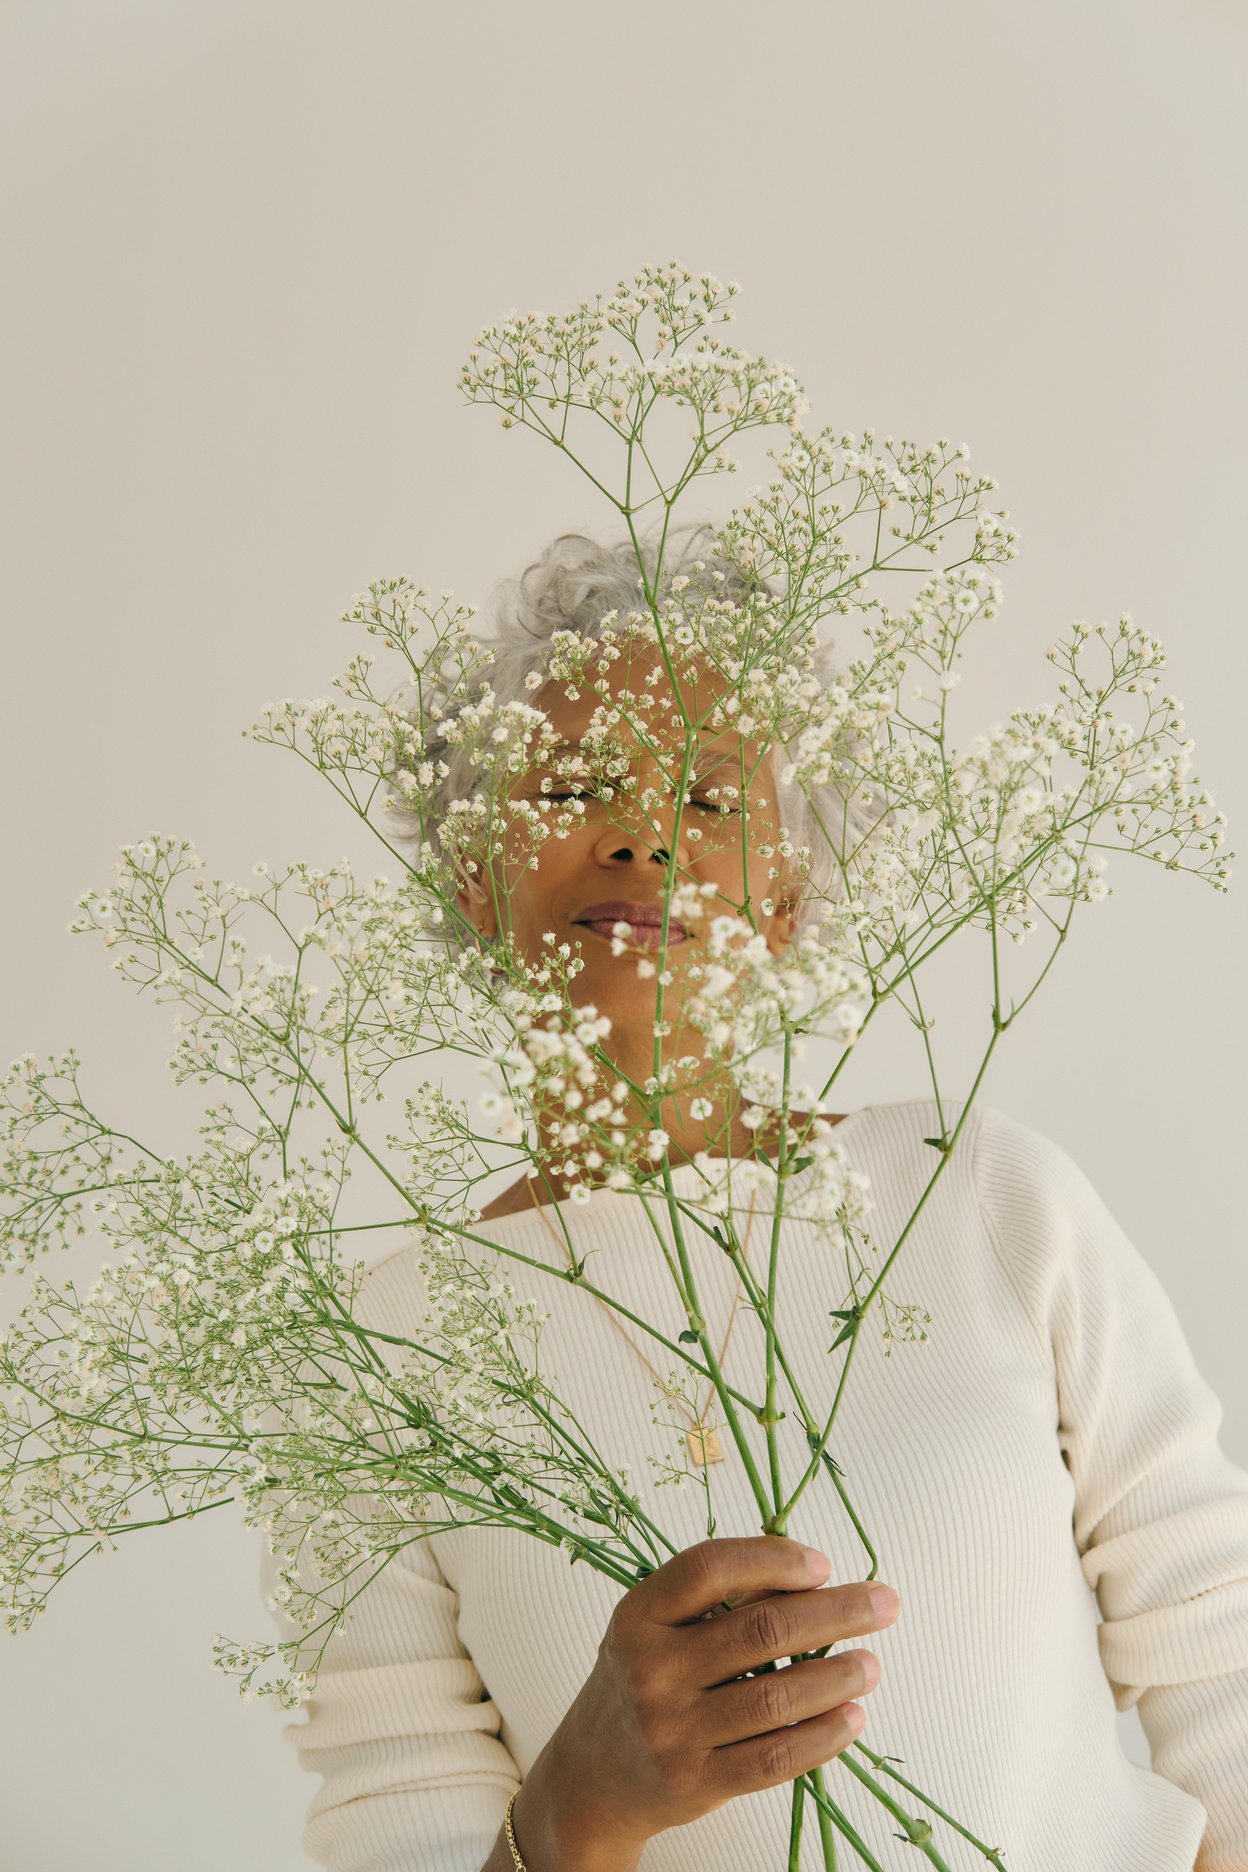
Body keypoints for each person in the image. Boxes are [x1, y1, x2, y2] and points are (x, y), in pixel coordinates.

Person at [260, 525, 1248, 1871]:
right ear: (469, 873)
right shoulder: (378, 1356)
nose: (641, 844)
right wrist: (581, 1805)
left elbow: (1217, 1652)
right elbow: (402, 1825)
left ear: (786, 897)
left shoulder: (973, 1192)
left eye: (710, 804)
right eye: (573, 790)